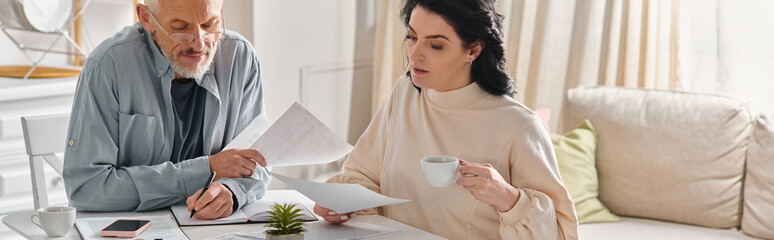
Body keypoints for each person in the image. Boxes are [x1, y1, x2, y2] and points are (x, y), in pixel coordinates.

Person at [313, 0, 579, 239]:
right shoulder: (403, 94)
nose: (415, 54)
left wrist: (509, 199)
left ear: (473, 50)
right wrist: (340, 203)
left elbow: (559, 232)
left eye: (436, 45)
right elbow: (363, 175)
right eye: (412, 37)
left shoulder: (519, 126)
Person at [63, 0, 270, 220]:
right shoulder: (108, 65)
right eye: (180, 28)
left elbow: (257, 165)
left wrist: (231, 192)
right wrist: (206, 169)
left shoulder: (241, 56)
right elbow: (86, 189)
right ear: (146, 18)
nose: (199, 44)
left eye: (210, 24)